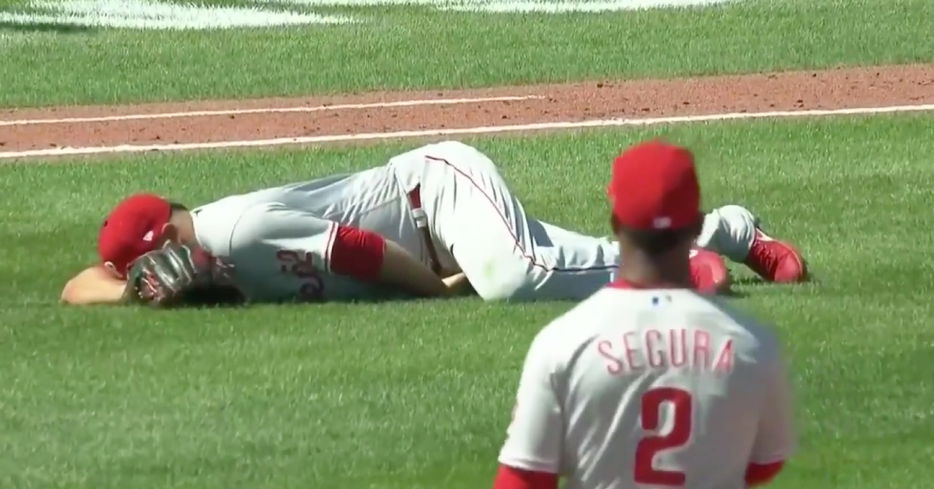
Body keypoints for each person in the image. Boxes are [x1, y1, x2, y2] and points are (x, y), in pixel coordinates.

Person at [61, 141, 805, 306]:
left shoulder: (236, 232)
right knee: (564, 258)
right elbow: (75, 286)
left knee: (510, 279)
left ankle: (671, 275)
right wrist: (123, 293)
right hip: (430, 226)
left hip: (436, 195)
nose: (159, 287)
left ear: (172, 243)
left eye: (149, 274)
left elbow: (357, 248)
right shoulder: (187, 253)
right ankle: (733, 233)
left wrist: (438, 292)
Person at [492, 141, 795, 489]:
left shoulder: (562, 345)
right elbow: (762, 465)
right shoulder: (752, 346)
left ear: (615, 221)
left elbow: (523, 480)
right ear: (698, 226)